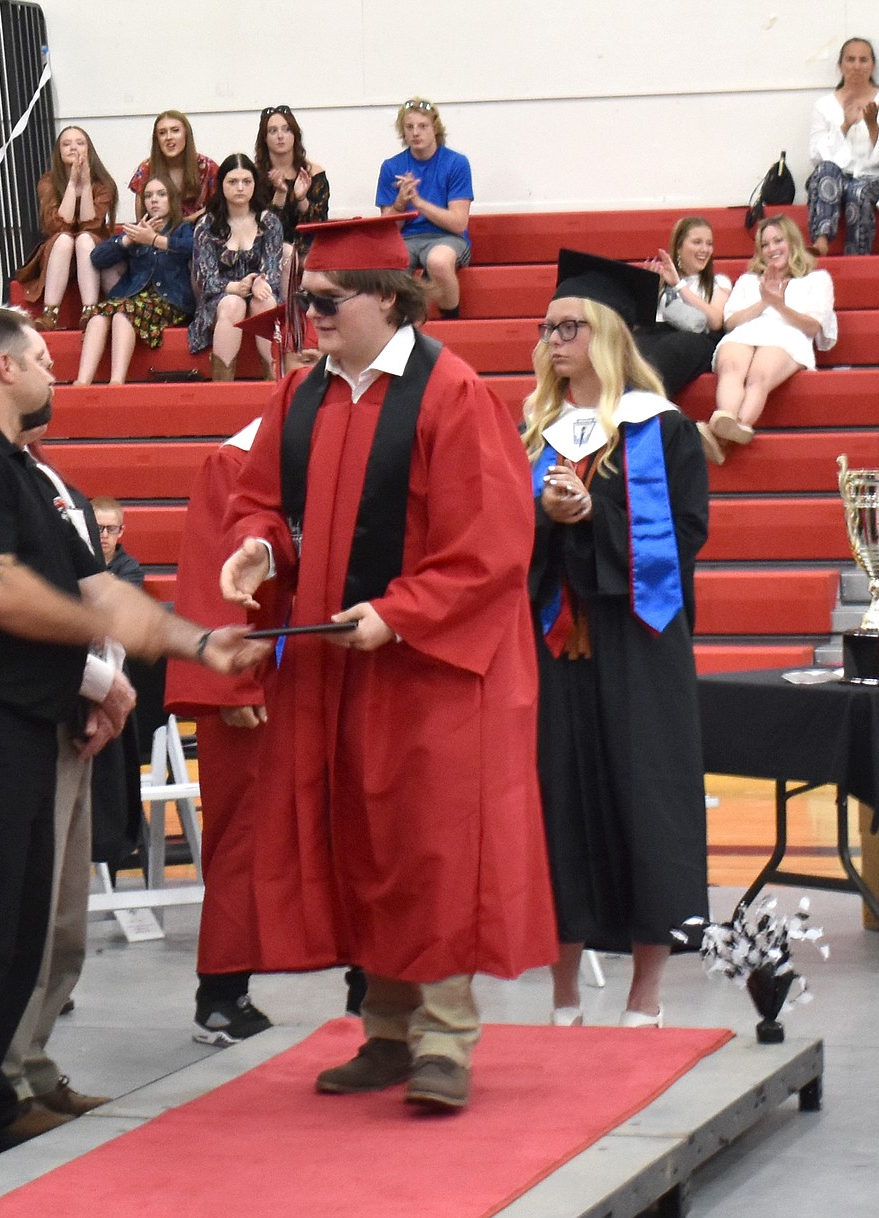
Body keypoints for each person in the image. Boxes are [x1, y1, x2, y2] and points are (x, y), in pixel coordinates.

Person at [0, 307, 267, 1200]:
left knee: (17, 936)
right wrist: (105, 633)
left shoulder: (17, 466)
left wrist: (196, 641)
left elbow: (92, 582)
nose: (57, 374)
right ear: (4, 368)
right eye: (46, 360)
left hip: (16, 721)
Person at [217, 215, 556, 1112]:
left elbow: (490, 546)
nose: (311, 315)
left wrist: (398, 615)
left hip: (429, 670)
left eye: (326, 301)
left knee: (430, 848)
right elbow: (263, 503)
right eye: (306, 300)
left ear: (385, 298)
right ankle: (387, 1030)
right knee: (361, 843)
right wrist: (258, 549)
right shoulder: (300, 398)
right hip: (336, 670)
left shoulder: (451, 394)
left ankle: (446, 1040)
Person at [523, 249, 709, 1029]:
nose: (553, 341)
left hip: (638, 645)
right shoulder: (533, 432)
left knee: (645, 805)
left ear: (603, 335)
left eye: (568, 327)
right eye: (546, 328)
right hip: (553, 651)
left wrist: (590, 516)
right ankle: (563, 998)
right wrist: (542, 518)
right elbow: (497, 538)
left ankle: (646, 998)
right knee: (557, 808)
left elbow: (683, 536)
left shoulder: (661, 430)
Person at [0, 426, 131, 1140]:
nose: (51, 373)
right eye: (38, 360)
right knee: (29, 911)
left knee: (67, 916)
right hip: (27, 713)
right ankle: (6, 1081)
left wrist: (110, 680)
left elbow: (96, 598)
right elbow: (13, 612)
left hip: (80, 706)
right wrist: (95, 681)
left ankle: (38, 1063)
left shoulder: (53, 481)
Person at [164, 418, 273, 1044]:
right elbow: (212, 567)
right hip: (261, 675)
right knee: (245, 833)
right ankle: (223, 992)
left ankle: (370, 989)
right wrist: (232, 683)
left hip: (336, 665)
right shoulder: (236, 456)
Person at [702, 215, 837, 464]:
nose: (772, 249)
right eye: (765, 244)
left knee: (758, 376)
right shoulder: (748, 280)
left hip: (788, 336)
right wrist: (765, 301)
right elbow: (731, 322)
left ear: (792, 242)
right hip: (745, 332)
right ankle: (727, 423)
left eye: (778, 241)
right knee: (731, 366)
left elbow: (812, 325)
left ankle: (720, 436)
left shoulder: (817, 279)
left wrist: (779, 304)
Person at [81, 175, 195, 386]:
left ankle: (116, 382)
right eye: (149, 196)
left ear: (172, 199)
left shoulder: (182, 228)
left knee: (122, 314)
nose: (154, 200)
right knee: (98, 316)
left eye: (161, 194)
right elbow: (97, 258)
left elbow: (193, 248)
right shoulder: (134, 229)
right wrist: (127, 240)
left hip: (170, 300)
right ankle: (82, 382)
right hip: (134, 297)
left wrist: (154, 240)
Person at [88, 496, 145, 874]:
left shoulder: (131, 569)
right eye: (98, 528)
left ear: (122, 532)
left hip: (116, 687)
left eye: (111, 529)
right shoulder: (78, 564)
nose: (104, 536)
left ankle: (115, 848)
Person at [189, 153, 283, 380]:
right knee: (233, 304)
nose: (240, 188)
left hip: (260, 292)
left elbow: (272, 271)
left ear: (254, 185)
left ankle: (275, 380)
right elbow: (205, 279)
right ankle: (223, 386)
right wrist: (234, 287)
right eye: (232, 182)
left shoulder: (269, 221)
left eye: (246, 182)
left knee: (266, 301)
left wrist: (255, 282)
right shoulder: (207, 225)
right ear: (221, 185)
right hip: (219, 299)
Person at [375, 97, 472, 319]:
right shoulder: (392, 167)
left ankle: (452, 322)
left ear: (434, 129)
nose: (415, 133)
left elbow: (458, 223)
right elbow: (387, 231)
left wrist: (418, 203)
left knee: (437, 262)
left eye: (422, 126)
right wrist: (400, 203)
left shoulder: (456, 163)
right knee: (390, 263)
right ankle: (402, 327)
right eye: (409, 127)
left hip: (447, 237)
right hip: (406, 239)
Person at [15, 126, 117, 332]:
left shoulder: (104, 183)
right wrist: (72, 183)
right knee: (64, 239)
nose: (73, 148)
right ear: (58, 152)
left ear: (89, 150)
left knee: (84, 239)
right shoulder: (48, 181)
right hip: (60, 253)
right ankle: (50, 312)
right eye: (66, 144)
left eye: (80, 143)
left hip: (92, 251)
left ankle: (89, 310)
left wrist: (86, 183)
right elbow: (58, 225)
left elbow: (92, 225)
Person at [806, 37, 879, 257]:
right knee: (826, 171)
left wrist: (872, 126)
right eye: (850, 59)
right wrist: (845, 125)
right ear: (840, 65)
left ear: (873, 65)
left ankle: (857, 259)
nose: (857, 66)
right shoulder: (824, 105)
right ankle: (822, 240)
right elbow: (816, 155)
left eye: (863, 60)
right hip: (837, 178)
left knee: (857, 191)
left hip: (876, 178)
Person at [635, 217, 732, 399]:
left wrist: (679, 285)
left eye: (709, 244)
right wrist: (648, 290)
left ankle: (647, 404)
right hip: (655, 332)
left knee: (673, 347)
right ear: (679, 247)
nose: (704, 249)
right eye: (697, 242)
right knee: (632, 346)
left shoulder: (719, 281)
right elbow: (637, 326)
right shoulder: (661, 278)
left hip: (696, 338)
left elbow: (715, 321)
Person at [254, 105, 330, 267]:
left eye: (286, 129)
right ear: (265, 138)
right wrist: (280, 194)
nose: (280, 136)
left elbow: (319, 225)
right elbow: (262, 229)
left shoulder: (313, 173)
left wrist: (301, 198)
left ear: (295, 135)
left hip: (308, 248)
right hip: (266, 250)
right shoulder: (254, 176)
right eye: (273, 131)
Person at [128, 110, 218, 223]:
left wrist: (189, 220)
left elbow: (220, 206)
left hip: (201, 234)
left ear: (186, 134)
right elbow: (142, 220)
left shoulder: (208, 167)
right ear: (157, 139)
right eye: (162, 133)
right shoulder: (146, 168)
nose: (169, 137)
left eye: (175, 131)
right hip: (158, 235)